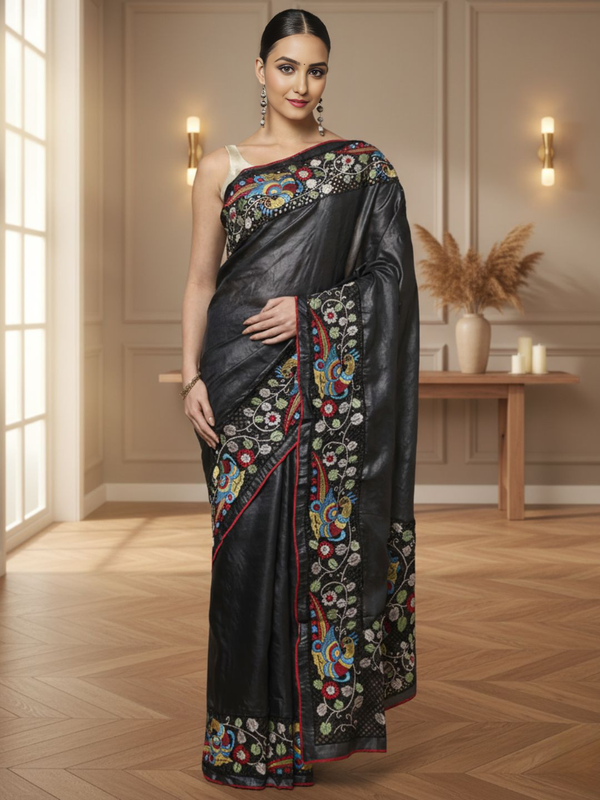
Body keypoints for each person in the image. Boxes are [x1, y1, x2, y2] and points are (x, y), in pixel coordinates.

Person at [180, 7, 420, 790]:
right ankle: (243, 740)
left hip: (314, 382)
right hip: (232, 381)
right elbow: (200, 282)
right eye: (287, 67)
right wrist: (190, 377)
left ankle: (300, 736)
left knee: (302, 555)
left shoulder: (362, 169)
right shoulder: (221, 167)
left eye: (315, 70)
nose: (301, 84)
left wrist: (311, 314)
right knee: (242, 561)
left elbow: (390, 281)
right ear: (261, 70)